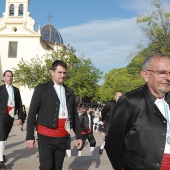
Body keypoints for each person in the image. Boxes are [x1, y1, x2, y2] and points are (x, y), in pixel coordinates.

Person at [105, 54, 170, 170]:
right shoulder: (131, 101)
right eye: (162, 72)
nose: (168, 77)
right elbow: (113, 143)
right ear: (146, 74)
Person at [26, 60, 82, 170]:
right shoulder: (41, 88)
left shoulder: (69, 91)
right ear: (52, 72)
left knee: (58, 167)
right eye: (59, 72)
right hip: (45, 136)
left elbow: (74, 115)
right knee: (46, 167)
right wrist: (30, 136)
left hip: (62, 137)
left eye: (64, 73)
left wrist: (79, 136)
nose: (62, 75)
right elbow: (32, 113)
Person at [0, 70, 23, 168]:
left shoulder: (16, 90)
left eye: (11, 76)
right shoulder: (0, 89)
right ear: (4, 77)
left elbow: (19, 104)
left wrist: (20, 118)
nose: (10, 78)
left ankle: (1, 154)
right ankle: (0, 159)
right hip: (1, 114)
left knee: (5, 136)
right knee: (2, 135)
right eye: (8, 76)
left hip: (11, 115)